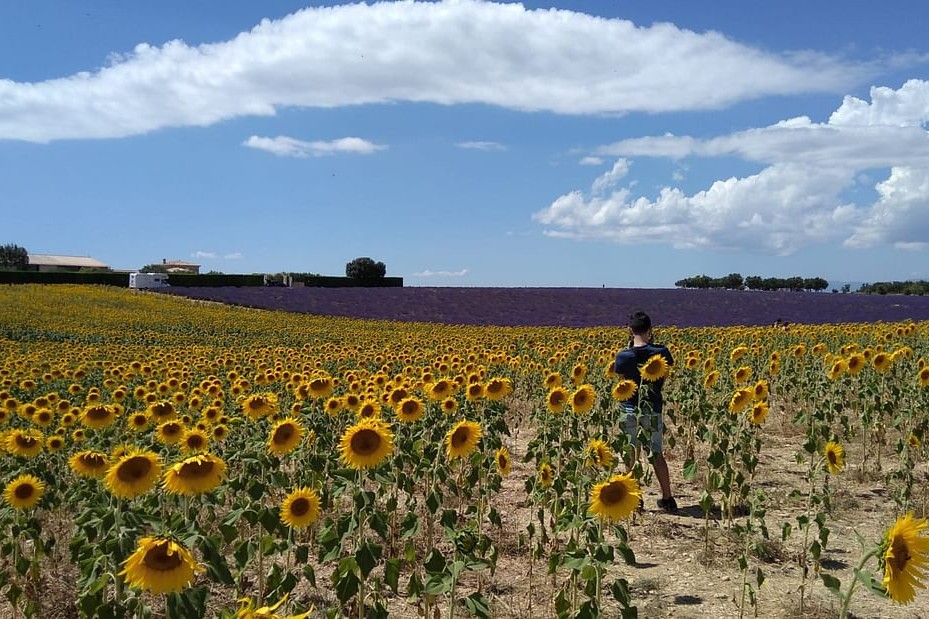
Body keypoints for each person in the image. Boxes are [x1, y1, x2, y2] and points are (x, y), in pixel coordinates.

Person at [614, 310, 677, 513]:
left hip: (629, 409)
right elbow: (664, 375)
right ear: (650, 330)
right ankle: (668, 498)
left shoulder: (623, 356)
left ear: (629, 330)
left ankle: (636, 499)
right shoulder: (662, 353)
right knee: (656, 453)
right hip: (652, 409)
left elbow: (622, 383)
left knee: (630, 454)